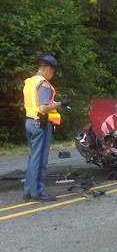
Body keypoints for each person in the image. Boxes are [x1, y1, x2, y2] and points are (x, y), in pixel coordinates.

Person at [22, 55, 70, 202]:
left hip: (30, 122)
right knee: (40, 160)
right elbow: (43, 107)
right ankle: (38, 193)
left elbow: (28, 104)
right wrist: (60, 104)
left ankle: (29, 191)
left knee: (33, 158)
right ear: (48, 69)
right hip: (41, 124)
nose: (53, 75)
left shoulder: (30, 82)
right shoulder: (43, 84)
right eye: (53, 71)